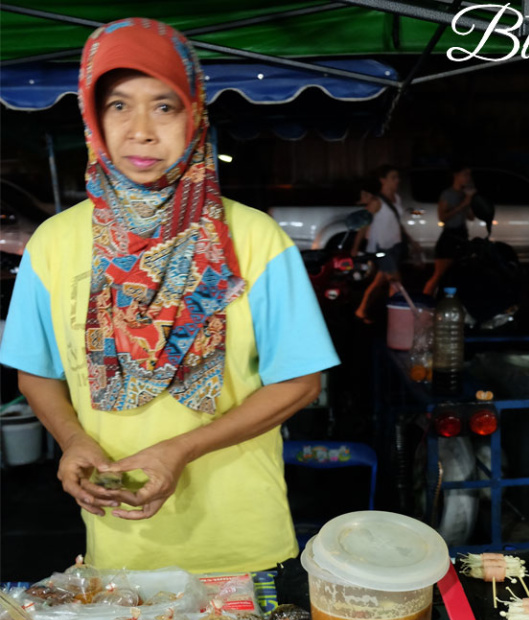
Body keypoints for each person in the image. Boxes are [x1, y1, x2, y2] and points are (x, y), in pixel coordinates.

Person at [0, 18, 339, 575]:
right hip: (119, 549)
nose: (141, 131)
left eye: (164, 106)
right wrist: (73, 441)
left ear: (195, 114)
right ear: (92, 117)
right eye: (118, 106)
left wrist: (179, 449)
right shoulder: (53, 244)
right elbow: (35, 372)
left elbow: (300, 381)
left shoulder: (255, 239)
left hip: (243, 548)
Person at [352, 165, 418, 324]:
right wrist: (355, 247)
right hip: (382, 248)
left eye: (398, 177)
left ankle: (361, 310)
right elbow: (364, 225)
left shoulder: (397, 199)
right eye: (393, 177)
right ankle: (397, 318)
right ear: (383, 180)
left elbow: (397, 223)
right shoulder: (377, 202)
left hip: (394, 245)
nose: (398, 181)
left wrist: (410, 240)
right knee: (396, 282)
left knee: (379, 282)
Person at [423, 164, 477, 297]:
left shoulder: (464, 194)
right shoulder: (448, 194)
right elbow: (443, 217)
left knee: (459, 274)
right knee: (439, 274)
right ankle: (425, 301)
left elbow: (471, 217)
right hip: (449, 236)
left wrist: (469, 201)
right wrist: (462, 204)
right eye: (465, 174)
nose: (468, 178)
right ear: (456, 176)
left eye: (469, 175)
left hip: (462, 235)